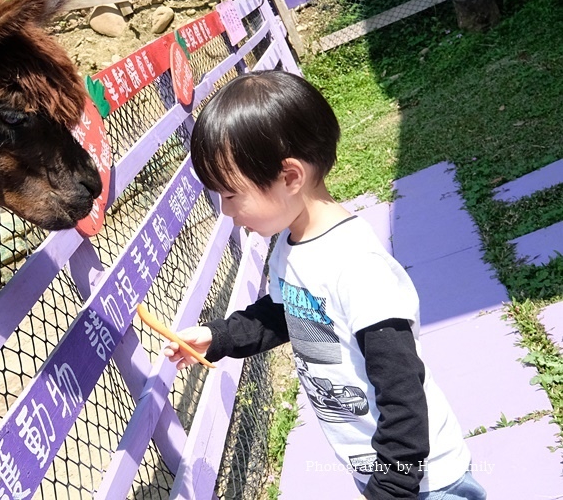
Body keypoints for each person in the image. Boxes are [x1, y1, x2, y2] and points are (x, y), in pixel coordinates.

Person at [164, 70, 486, 500]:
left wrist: (391, 487)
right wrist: (217, 336)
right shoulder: (292, 244)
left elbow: (403, 392)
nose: (225, 211)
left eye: (230, 194)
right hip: (375, 469)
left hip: (421, 481)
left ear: (290, 177)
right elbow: (286, 314)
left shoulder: (356, 268)